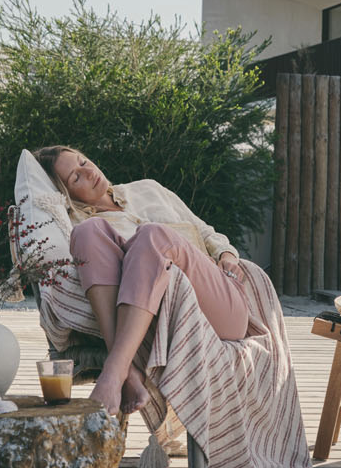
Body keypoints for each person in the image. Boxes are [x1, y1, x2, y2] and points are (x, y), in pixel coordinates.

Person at [35, 145, 250, 417]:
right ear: (66, 194)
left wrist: (226, 253)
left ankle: (115, 372)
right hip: (158, 325)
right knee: (87, 232)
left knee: (152, 234)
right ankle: (127, 370)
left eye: (84, 162)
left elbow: (205, 231)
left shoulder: (149, 189)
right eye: (76, 177)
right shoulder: (78, 226)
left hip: (218, 307)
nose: (88, 172)